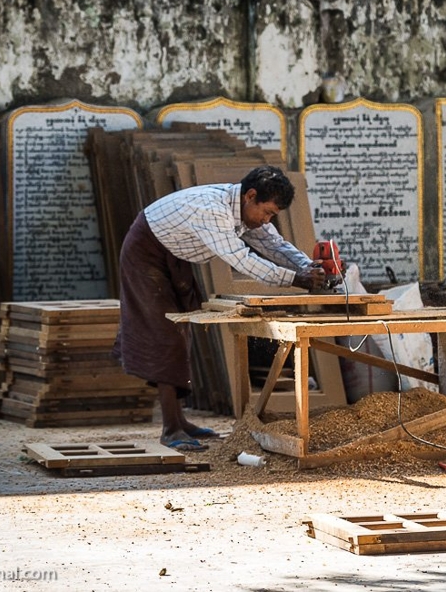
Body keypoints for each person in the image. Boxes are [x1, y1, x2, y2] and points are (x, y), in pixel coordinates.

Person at [112, 165, 326, 451]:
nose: (266, 220)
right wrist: (297, 280)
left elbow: (274, 245)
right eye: (267, 212)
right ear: (251, 196)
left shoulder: (245, 209)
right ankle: (171, 429)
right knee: (165, 337)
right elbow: (242, 259)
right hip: (145, 255)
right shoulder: (214, 210)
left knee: (181, 332)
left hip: (172, 255)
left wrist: (308, 267)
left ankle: (181, 421)